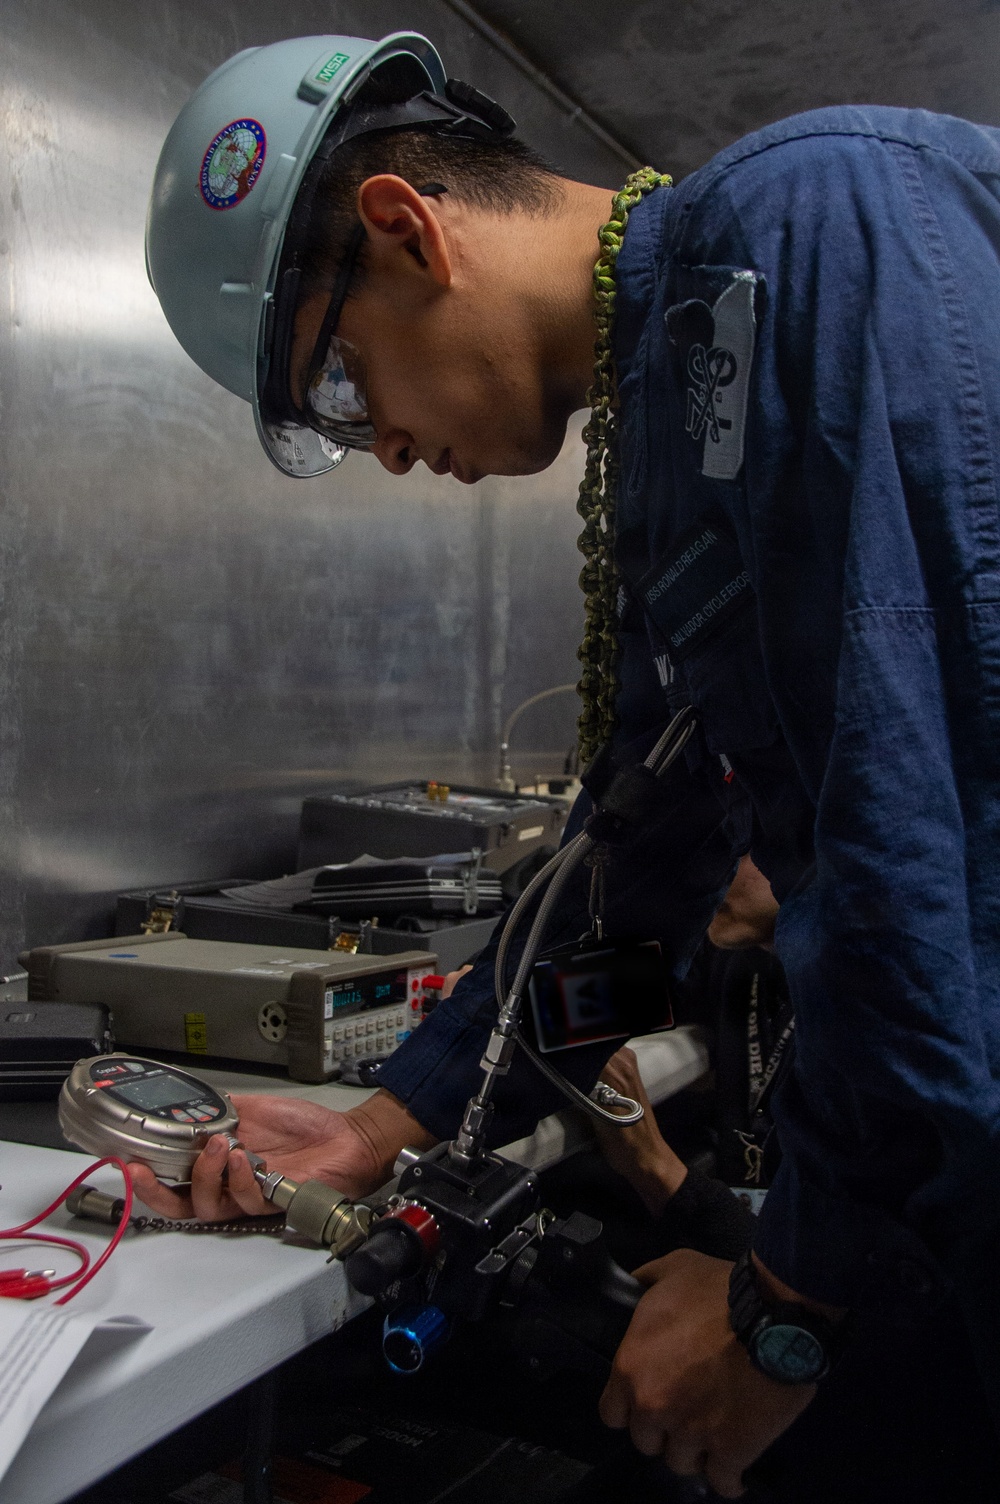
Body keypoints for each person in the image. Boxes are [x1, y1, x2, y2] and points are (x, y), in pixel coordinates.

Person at [137, 31, 1000, 1497]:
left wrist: (784, 1314)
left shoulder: (810, 232)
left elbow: (917, 872)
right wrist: (389, 1122)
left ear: (406, 228)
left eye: (343, 384)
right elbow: (643, 863)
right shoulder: (671, 413)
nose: (385, 448)